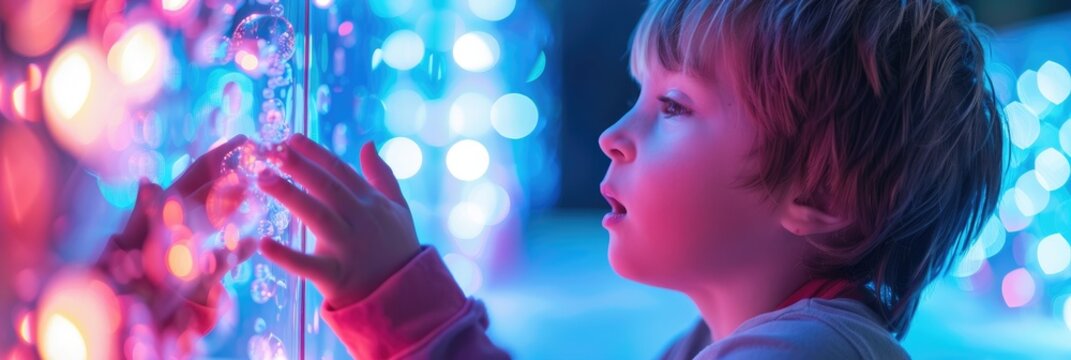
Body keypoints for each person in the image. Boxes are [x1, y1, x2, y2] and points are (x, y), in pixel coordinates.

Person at [212, 0, 1006, 358]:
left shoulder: (807, 356)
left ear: (822, 196)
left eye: (671, 104)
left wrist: (407, 309)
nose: (613, 136)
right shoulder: (715, 342)